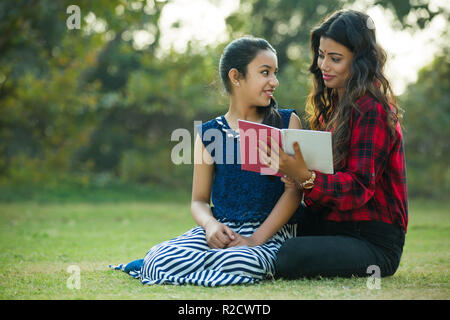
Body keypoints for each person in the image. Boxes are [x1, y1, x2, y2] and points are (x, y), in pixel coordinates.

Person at [109, 36, 303, 286]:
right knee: (157, 258)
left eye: (274, 73)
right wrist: (211, 226)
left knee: (243, 261)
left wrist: (254, 240)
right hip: (221, 231)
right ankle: (209, 262)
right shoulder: (210, 133)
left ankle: (210, 264)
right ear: (236, 77)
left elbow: (294, 190)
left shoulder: (286, 123)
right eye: (265, 73)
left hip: (270, 233)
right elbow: (198, 201)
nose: (274, 81)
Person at [259, 10, 408, 279]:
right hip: (335, 223)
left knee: (289, 255)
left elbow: (358, 188)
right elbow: (322, 179)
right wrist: (293, 175)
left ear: (360, 61)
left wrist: (305, 177)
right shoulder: (332, 106)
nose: (323, 65)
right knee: (261, 216)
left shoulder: (371, 108)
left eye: (335, 58)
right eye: (321, 55)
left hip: (374, 241)